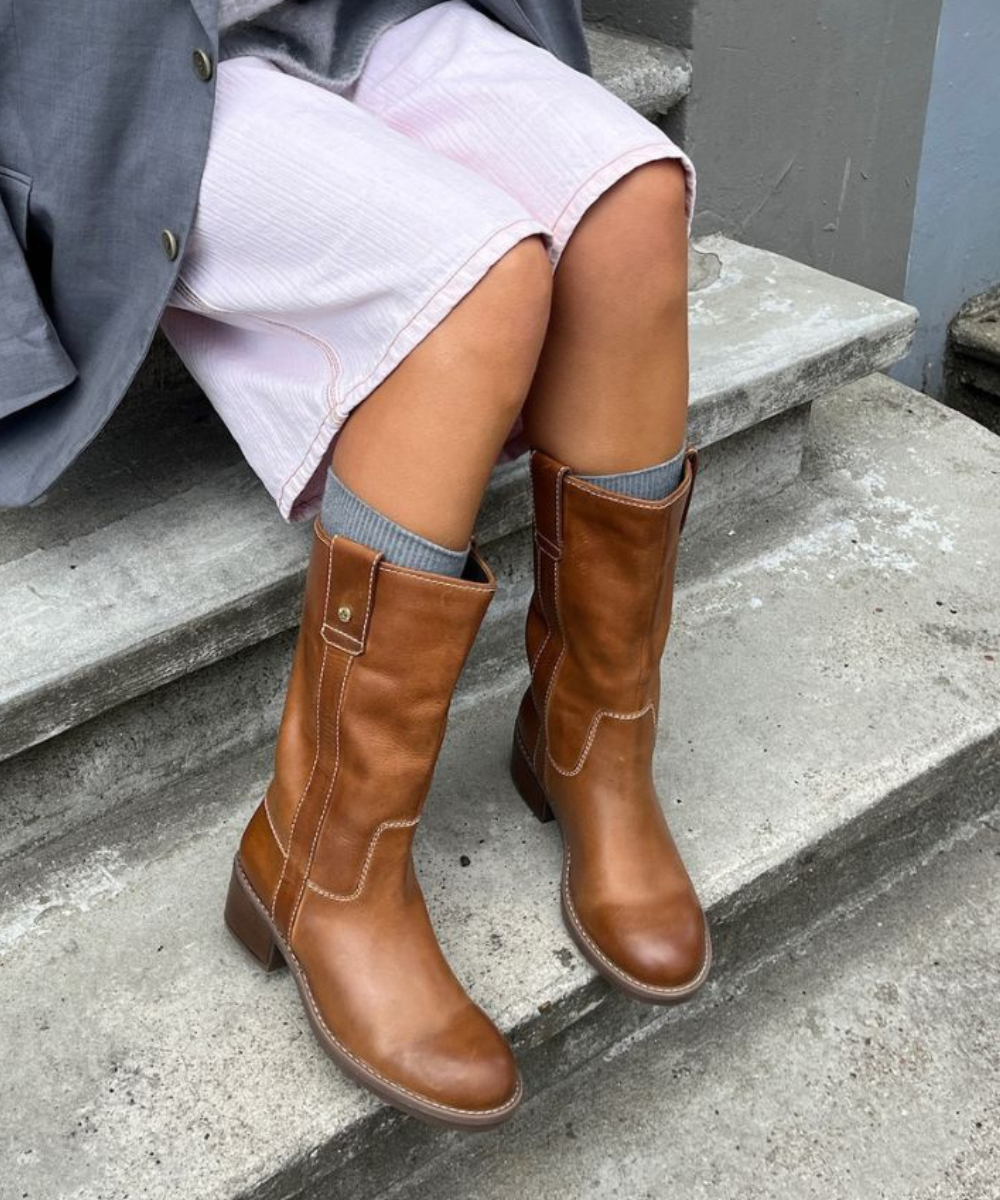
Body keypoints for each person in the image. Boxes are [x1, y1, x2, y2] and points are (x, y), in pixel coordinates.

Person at [1, 0, 708, 1131]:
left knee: (632, 208)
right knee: (473, 287)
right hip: (146, 74)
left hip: (368, 16)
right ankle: (328, 859)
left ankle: (594, 740)